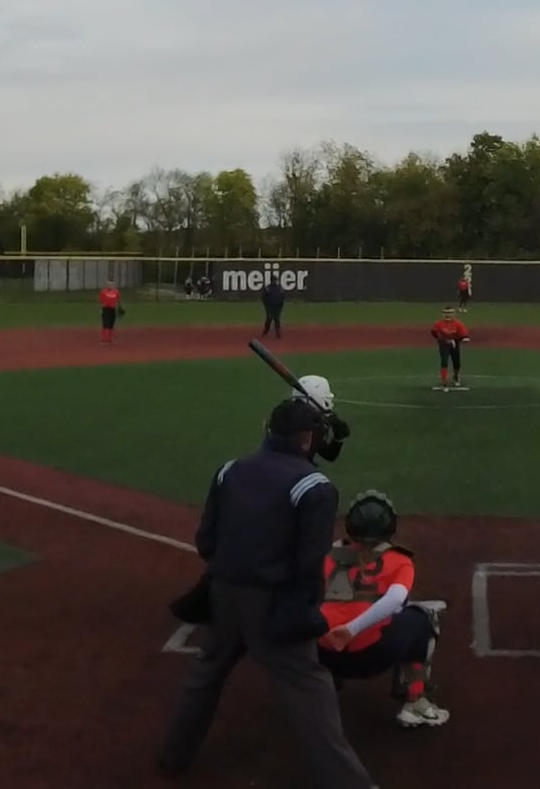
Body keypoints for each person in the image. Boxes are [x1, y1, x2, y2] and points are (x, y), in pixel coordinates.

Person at [157, 375, 373, 787]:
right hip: (274, 601)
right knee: (310, 689)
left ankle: (174, 756)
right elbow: (308, 565)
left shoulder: (229, 470)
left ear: (269, 430)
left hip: (222, 592)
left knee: (206, 673)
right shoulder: (315, 487)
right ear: (307, 439)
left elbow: (206, 541)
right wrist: (301, 615)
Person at [317, 490, 451, 728]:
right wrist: (351, 629)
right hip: (371, 658)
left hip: (323, 655)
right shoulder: (399, 561)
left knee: (320, 609)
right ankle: (415, 702)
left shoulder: (328, 555)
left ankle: (323, 685)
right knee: (423, 620)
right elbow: (395, 598)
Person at [431, 307, 469, 391]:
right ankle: (444, 382)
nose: (447, 315)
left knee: (456, 362)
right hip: (444, 344)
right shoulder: (439, 324)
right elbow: (433, 332)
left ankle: (456, 376)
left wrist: (463, 339)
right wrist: (441, 339)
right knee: (444, 361)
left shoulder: (458, 324)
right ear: (442, 314)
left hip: (454, 344)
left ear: (453, 314)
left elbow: (464, 334)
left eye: (450, 313)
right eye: (446, 313)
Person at [98, 280, 123, 344]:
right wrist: (101, 309)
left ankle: (109, 339)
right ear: (106, 285)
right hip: (105, 309)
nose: (110, 285)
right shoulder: (103, 292)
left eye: (112, 284)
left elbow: (118, 300)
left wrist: (120, 308)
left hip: (113, 309)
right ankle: (104, 338)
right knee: (106, 323)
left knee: (111, 323)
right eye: (109, 284)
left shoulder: (116, 292)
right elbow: (101, 301)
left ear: (114, 285)